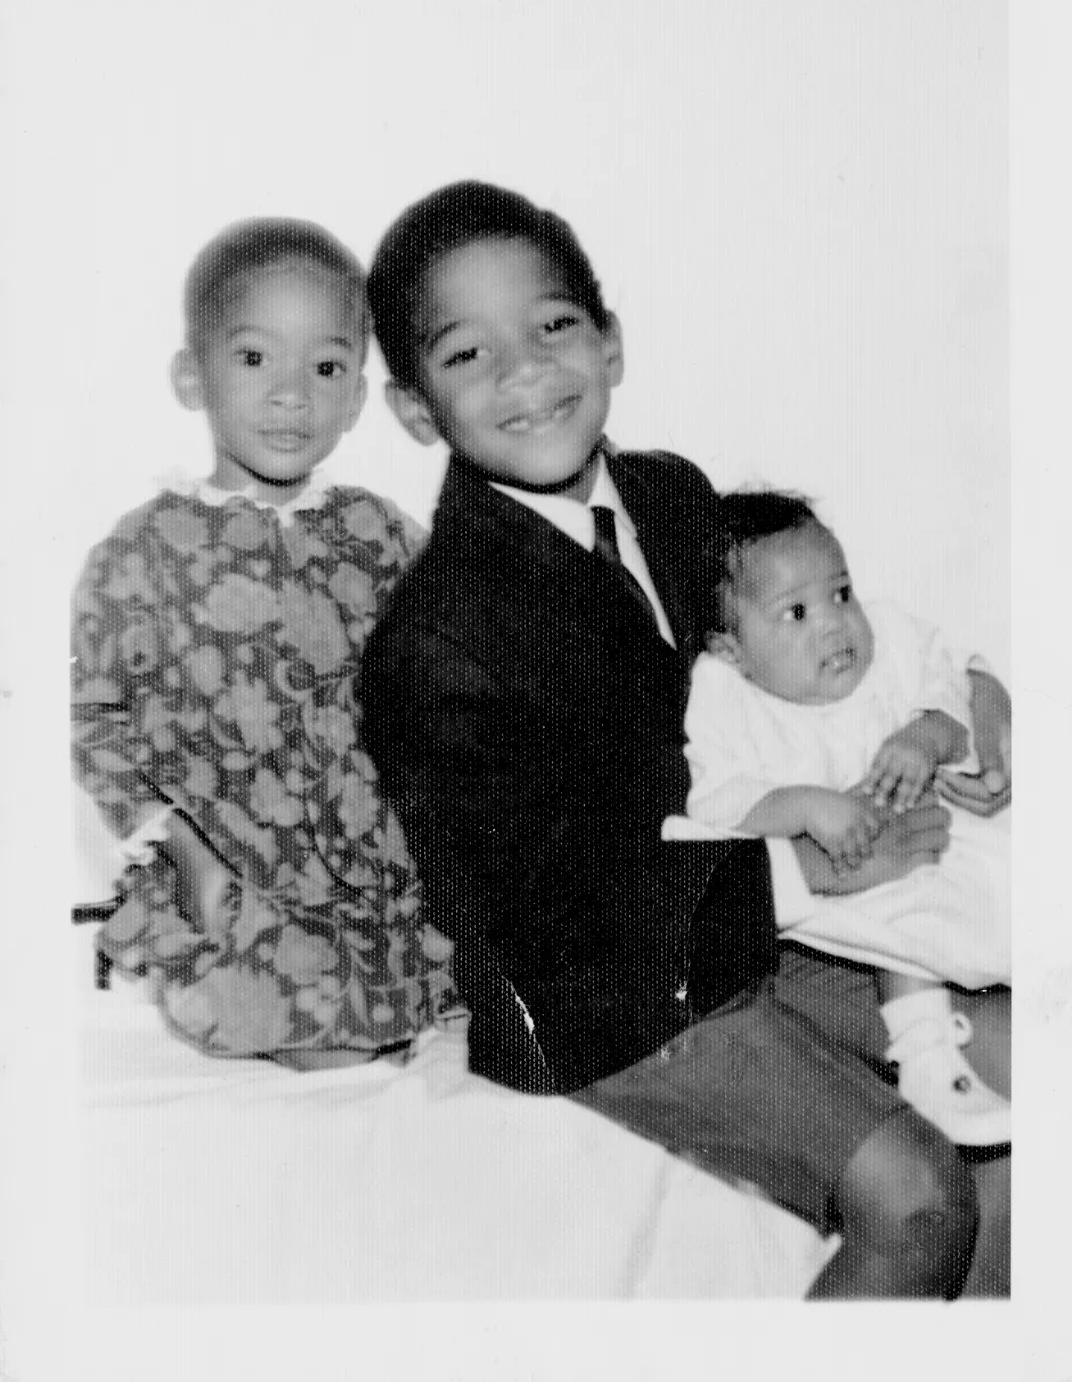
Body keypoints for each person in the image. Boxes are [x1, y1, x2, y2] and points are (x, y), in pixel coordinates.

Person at [361, 180, 1011, 1299]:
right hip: (591, 1000)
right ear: (416, 407)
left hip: (735, 918)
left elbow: (801, 656)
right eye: (468, 355)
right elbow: (542, 912)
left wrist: (974, 707)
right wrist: (798, 865)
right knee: (915, 1198)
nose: (526, 372)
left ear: (610, 342)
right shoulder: (435, 637)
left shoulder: (669, 495)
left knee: (1017, 1066)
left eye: (554, 326)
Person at [71, 218, 456, 1064]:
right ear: (191, 375)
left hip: (377, 861)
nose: (292, 394)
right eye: (254, 359)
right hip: (236, 865)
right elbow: (95, 722)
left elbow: (451, 669)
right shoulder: (144, 551)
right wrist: (183, 849)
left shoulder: (378, 534)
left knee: (453, 989)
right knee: (277, 1011)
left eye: (324, 368)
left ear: (356, 396)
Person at [661, 490, 1009, 1146]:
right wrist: (808, 806)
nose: (833, 624)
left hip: (942, 841)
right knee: (909, 927)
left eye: (841, 593)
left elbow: (953, 687)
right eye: (795, 612)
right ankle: (925, 1054)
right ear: (732, 649)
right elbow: (718, 802)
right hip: (849, 884)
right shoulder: (725, 694)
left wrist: (927, 736)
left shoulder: (892, 639)